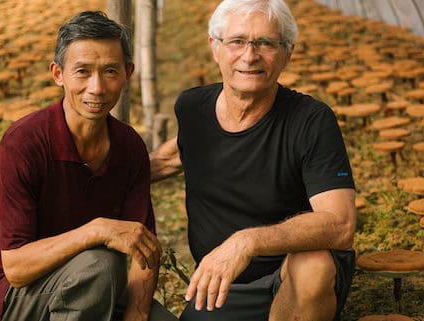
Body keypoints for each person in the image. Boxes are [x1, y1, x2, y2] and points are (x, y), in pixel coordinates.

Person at [150, 1, 357, 320]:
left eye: (266, 43)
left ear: (288, 52)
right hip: (225, 284)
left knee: (314, 263)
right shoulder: (193, 108)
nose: (249, 56)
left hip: (289, 277)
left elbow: (340, 224)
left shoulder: (310, 120)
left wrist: (247, 241)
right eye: (237, 41)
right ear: (214, 47)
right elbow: (172, 155)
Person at [0, 11, 177, 321]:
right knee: (100, 265)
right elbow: (15, 269)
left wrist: (136, 314)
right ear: (58, 74)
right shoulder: (24, 144)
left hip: (94, 286)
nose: (96, 87)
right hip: (15, 293)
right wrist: (96, 231)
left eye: (110, 71)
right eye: (82, 71)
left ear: (128, 73)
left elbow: (143, 252)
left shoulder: (129, 146)